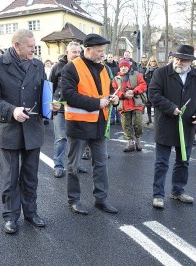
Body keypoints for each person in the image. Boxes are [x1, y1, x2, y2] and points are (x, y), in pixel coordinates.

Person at [0, 29, 47, 234]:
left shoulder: (37, 65)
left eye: (34, 46)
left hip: (33, 129)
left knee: (30, 176)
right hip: (9, 129)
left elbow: (43, 92)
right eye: (30, 46)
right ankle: (10, 216)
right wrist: (12, 110)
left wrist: (50, 105)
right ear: (16, 45)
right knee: (10, 178)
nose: (33, 49)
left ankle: (31, 212)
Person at [61, 33, 119, 215]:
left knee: (101, 164)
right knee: (74, 166)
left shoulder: (103, 68)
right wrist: (96, 103)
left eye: (103, 51)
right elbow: (68, 95)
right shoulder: (71, 68)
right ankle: (74, 200)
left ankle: (101, 199)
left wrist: (114, 98)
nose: (103, 54)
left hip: (99, 125)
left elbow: (108, 90)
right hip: (78, 125)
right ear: (88, 50)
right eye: (99, 51)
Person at [148, 44, 196, 209]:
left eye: (184, 60)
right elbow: (153, 94)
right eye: (177, 58)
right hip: (166, 124)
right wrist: (170, 107)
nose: (179, 62)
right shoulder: (161, 73)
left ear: (191, 62)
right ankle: (158, 194)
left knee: (183, 161)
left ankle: (178, 191)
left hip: (188, 126)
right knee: (162, 162)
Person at [50, 41, 88, 178]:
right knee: (61, 139)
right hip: (61, 109)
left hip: (77, 109)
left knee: (77, 139)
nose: (77, 55)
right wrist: (51, 105)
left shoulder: (83, 67)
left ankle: (75, 164)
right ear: (67, 53)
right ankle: (58, 165)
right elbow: (50, 87)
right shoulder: (57, 67)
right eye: (74, 52)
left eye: (79, 52)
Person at [113, 58, 147, 152]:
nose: (123, 68)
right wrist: (123, 95)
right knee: (125, 124)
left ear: (129, 67)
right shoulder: (116, 78)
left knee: (138, 123)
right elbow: (114, 91)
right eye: (121, 67)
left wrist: (133, 91)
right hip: (123, 105)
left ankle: (137, 140)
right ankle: (130, 142)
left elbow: (143, 85)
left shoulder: (138, 75)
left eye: (125, 66)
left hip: (136, 103)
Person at [104, 53, 120, 125]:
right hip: (108, 85)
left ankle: (119, 118)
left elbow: (119, 74)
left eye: (111, 57)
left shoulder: (117, 66)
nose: (110, 58)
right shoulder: (105, 66)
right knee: (111, 101)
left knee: (117, 101)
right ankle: (112, 118)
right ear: (107, 58)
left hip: (116, 85)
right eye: (109, 57)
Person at [144, 56, 159, 125]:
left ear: (156, 62)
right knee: (148, 104)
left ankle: (156, 120)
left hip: (156, 89)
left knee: (155, 105)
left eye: (154, 61)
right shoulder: (146, 70)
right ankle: (149, 119)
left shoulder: (158, 70)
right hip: (147, 89)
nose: (152, 63)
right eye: (151, 61)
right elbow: (144, 79)